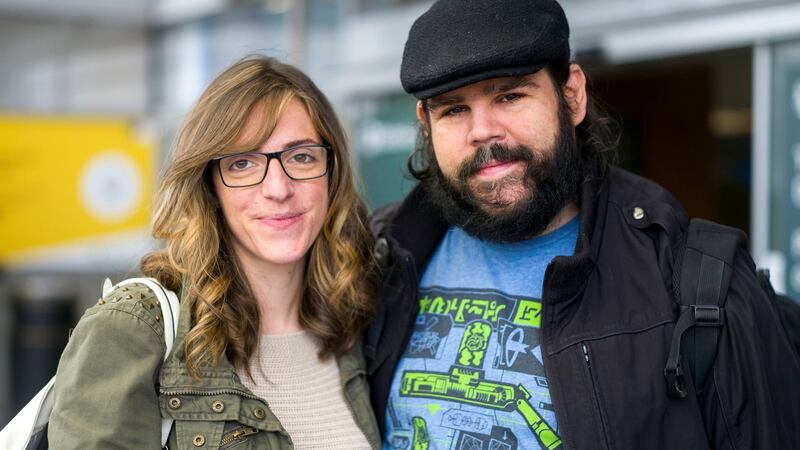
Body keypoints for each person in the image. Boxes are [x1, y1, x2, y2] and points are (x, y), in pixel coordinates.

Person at [365, 1, 800, 449]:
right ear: (425, 123)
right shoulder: (379, 259)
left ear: (572, 95)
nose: (482, 131)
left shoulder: (700, 283)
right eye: (453, 110)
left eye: (510, 96)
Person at [48, 56, 381, 449]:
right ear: (209, 186)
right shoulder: (135, 328)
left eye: (301, 156)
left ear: (332, 171)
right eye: (242, 163)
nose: (278, 188)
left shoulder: (356, 326)